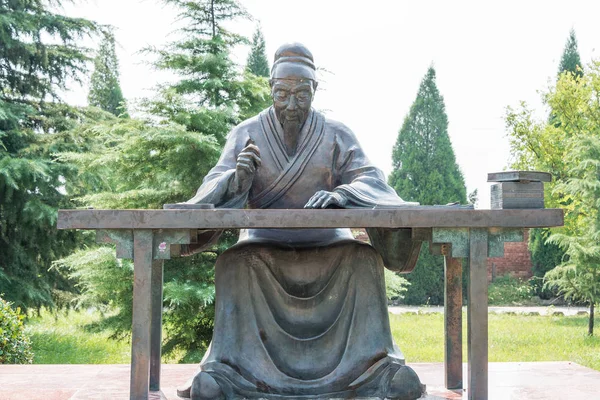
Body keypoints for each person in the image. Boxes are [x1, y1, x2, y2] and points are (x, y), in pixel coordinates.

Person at [178, 43, 423, 400]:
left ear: (314, 91)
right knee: (233, 263)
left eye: (301, 95)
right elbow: (211, 186)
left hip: (329, 240)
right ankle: (229, 373)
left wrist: (342, 195)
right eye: (282, 94)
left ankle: (375, 371)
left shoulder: (337, 133)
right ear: (270, 89)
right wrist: (237, 180)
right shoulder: (246, 133)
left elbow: (371, 179)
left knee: (364, 259)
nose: (291, 105)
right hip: (263, 241)